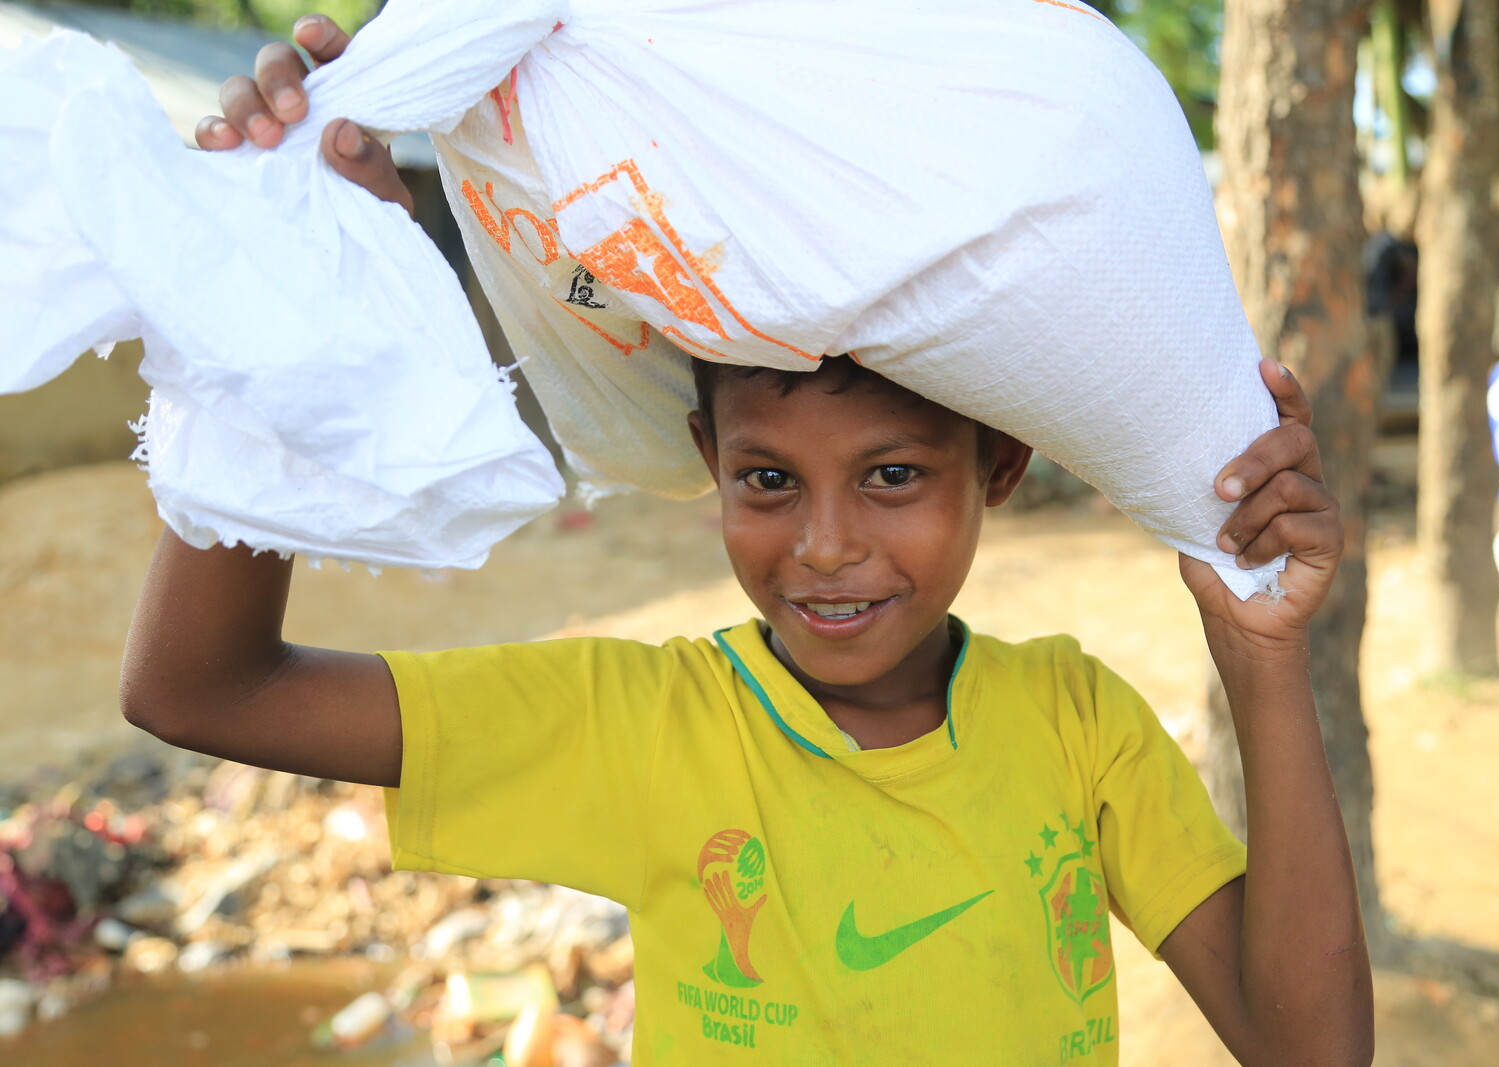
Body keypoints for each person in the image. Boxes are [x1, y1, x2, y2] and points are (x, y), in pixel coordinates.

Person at [121, 15, 1374, 1065]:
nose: (825, 545)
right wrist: (281, 322)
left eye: (892, 474)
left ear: (999, 464)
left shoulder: (1077, 728)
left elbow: (1308, 1048)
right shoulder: (647, 726)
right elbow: (201, 689)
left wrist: (1261, 659)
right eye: (768, 478)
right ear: (709, 461)